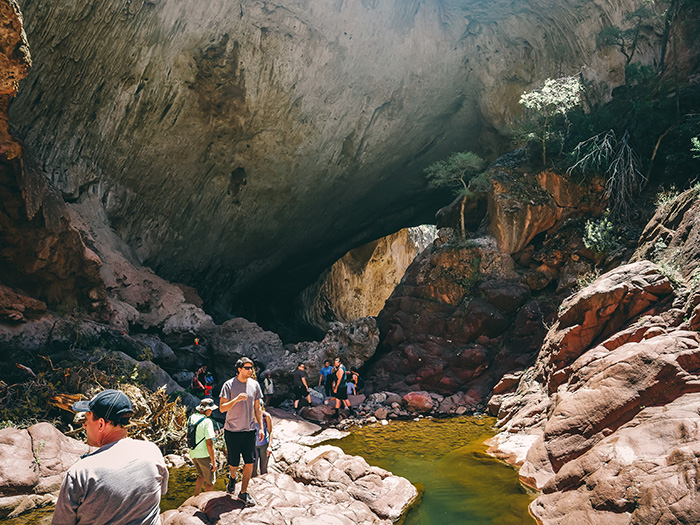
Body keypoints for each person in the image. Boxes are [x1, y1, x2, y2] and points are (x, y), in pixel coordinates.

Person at [52, 389, 168, 525]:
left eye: (87, 419)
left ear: (101, 424)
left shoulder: (80, 473)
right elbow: (162, 492)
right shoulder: (152, 452)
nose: (84, 425)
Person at [219, 357, 264, 507]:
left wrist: (262, 428)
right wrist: (236, 400)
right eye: (247, 368)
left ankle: (243, 492)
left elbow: (258, 408)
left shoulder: (255, 385)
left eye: (251, 368)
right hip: (232, 430)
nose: (250, 370)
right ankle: (232, 478)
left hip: (249, 429)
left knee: (250, 461)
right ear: (239, 369)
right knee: (234, 463)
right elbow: (222, 408)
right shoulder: (228, 385)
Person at [188, 398, 218, 496]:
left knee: (201, 476)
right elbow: (209, 443)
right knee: (210, 482)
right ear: (207, 410)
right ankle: (205, 503)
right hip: (204, 455)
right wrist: (214, 462)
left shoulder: (191, 417)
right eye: (211, 409)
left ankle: (196, 496)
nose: (212, 411)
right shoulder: (207, 421)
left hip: (193, 453)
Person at [252, 402, 273, 477]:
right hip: (253, 445)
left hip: (264, 445)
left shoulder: (266, 416)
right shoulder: (249, 417)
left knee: (263, 469)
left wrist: (269, 447)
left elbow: (270, 432)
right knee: (252, 469)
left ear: (262, 407)